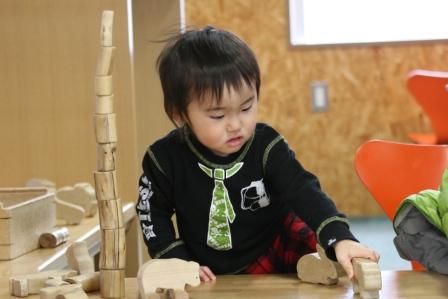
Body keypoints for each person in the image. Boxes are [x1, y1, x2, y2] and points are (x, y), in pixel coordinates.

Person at [136, 26, 379, 282]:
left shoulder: (266, 145)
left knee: (322, 251)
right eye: (218, 115)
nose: (235, 125)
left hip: (274, 242)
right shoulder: (163, 159)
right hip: (206, 263)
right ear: (178, 114)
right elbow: (152, 213)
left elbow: (302, 189)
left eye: (246, 107)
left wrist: (339, 236)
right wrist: (178, 261)